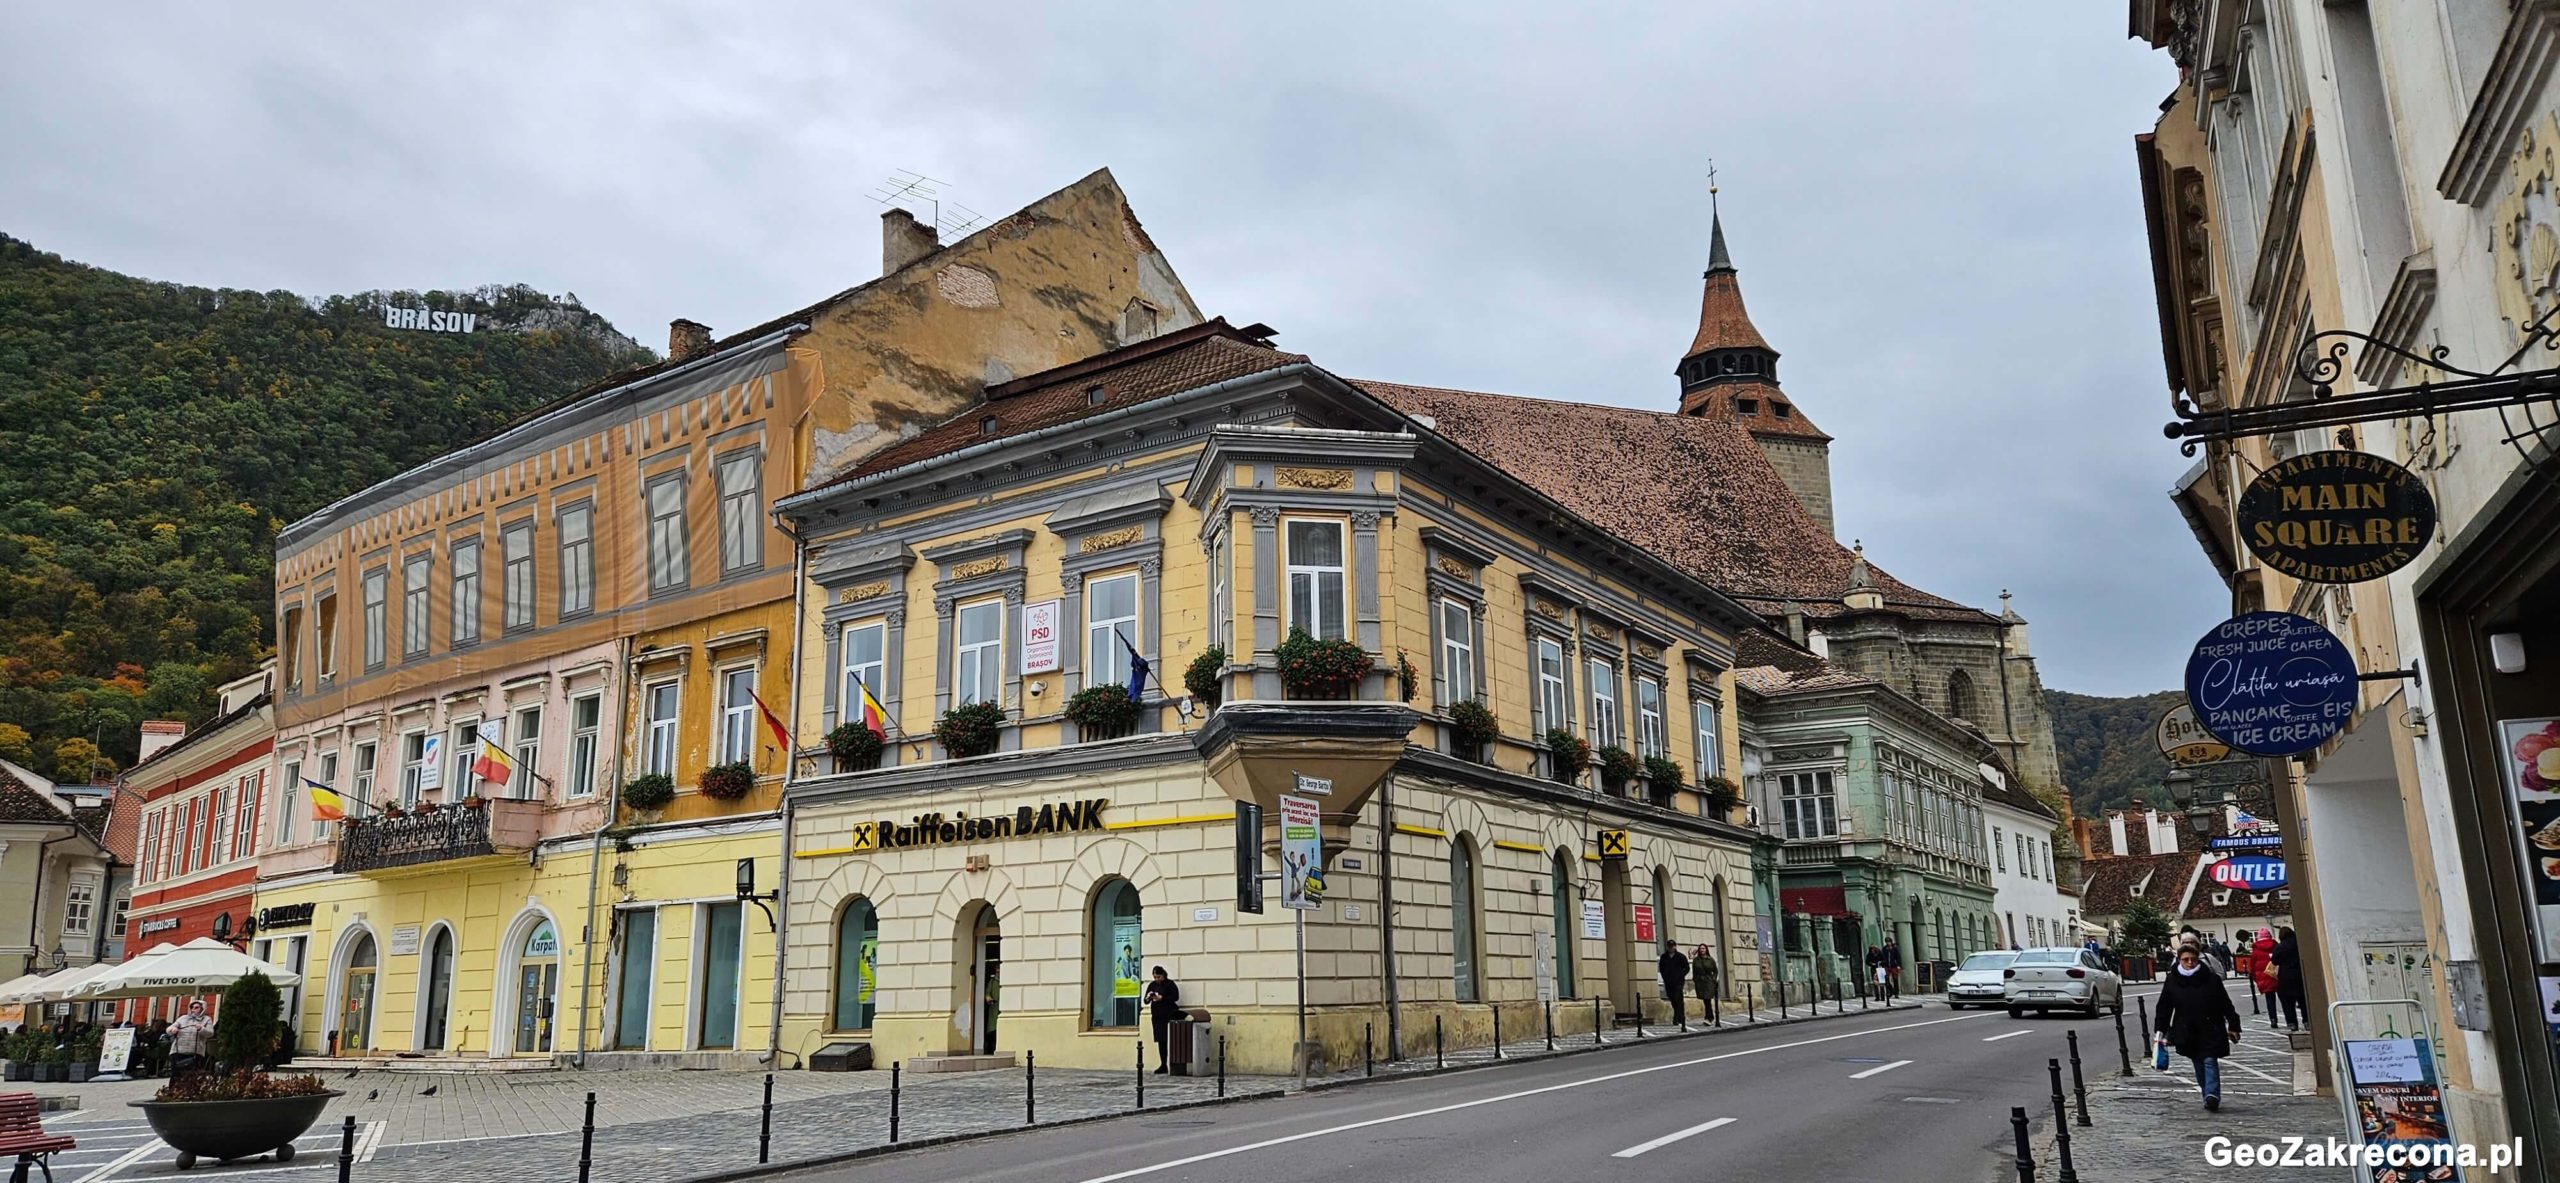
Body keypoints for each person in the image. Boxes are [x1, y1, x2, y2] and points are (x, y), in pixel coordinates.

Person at [2153, 944, 2244, 1111]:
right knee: (2198, 1061)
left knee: (2210, 1060)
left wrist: (2233, 1024)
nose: (2189, 963)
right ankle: (2206, 1092)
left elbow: (2225, 1003)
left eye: (2193, 959)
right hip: (2187, 1029)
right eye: (2185, 960)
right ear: (2179, 960)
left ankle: (2212, 1095)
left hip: (2211, 1026)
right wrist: (2160, 1030)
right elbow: (2164, 1006)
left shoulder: (2210, 978)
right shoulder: (2173, 980)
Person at [1141, 966, 1183, 1074]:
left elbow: (1175, 997)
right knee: (1161, 1041)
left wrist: (1162, 998)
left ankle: (1173, 1064)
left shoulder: (1169, 984)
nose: (1156, 979)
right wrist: (1149, 997)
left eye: (1158, 976)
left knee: (1170, 1039)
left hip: (1168, 1015)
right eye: (1155, 977)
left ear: (1163, 975)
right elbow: (1145, 1001)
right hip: (1157, 1017)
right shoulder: (1152, 985)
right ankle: (1163, 1064)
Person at [167, 998, 215, 1076]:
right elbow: (168, 1029)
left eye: (196, 1008)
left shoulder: (206, 1019)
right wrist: (173, 1029)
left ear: (202, 1009)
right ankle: (175, 1088)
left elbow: (210, 1033)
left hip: (195, 1052)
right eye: (192, 1007)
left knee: (192, 1076)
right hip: (178, 1051)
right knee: (175, 1075)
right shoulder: (183, 1018)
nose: (193, 1010)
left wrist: (201, 1029)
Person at [2272, 927, 2306, 1033]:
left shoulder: (2280, 946)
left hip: (2285, 976)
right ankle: (2307, 1021)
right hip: (2300, 975)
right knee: (2303, 1001)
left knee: (2288, 1003)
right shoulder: (2300, 943)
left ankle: (2292, 1023)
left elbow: (2274, 960)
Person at [2250, 929, 2280, 1027]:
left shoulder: (2256, 950)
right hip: (2278, 975)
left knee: (2270, 999)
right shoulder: (2275, 946)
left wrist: (2255, 978)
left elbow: (2252, 966)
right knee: (2285, 998)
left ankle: (2273, 1019)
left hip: (2264, 977)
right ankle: (2290, 1020)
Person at [1657, 942, 1689, 1027]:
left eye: (1672, 946)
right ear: (1667, 947)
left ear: (1675, 946)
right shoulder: (1664, 957)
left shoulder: (1680, 956)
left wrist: (1681, 975)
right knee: (1673, 999)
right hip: (1668, 982)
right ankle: (1678, 1016)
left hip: (1678, 982)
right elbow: (1661, 968)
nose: (1671, 948)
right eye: (1669, 946)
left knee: (1678, 999)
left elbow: (1687, 968)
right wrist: (1665, 977)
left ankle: (1679, 1018)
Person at [1691, 944, 1720, 1019]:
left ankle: (1709, 1016)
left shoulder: (1710, 960)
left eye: (1703, 948)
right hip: (1700, 982)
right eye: (1700, 948)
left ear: (1706, 949)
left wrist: (1713, 979)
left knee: (1708, 999)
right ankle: (1709, 1015)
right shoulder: (1696, 960)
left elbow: (1715, 971)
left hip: (1708, 981)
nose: (1702, 950)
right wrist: (1695, 980)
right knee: (1705, 1000)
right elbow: (1694, 971)